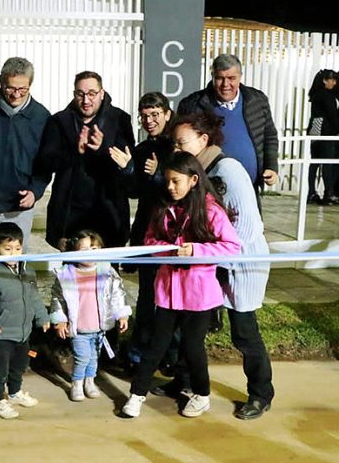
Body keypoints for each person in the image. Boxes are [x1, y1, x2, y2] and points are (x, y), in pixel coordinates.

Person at [169, 112, 275, 420]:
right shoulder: (194, 172)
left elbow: (248, 225)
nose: (177, 148)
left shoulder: (228, 169)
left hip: (242, 263)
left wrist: (216, 255)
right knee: (192, 326)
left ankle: (261, 394)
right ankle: (185, 382)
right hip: (211, 261)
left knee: (244, 332)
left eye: (182, 142)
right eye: (175, 143)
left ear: (203, 140)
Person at [121, 152, 241, 419]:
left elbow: (231, 248)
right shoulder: (163, 207)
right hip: (167, 293)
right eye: (167, 181)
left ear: (194, 180)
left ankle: (202, 394)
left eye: (176, 181)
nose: (170, 187)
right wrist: (171, 251)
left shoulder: (211, 210)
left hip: (199, 295)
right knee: (156, 344)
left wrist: (196, 250)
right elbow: (150, 242)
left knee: (192, 346)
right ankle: (136, 395)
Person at [108, 92, 176, 372]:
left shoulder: (177, 146)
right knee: (147, 298)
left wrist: (160, 174)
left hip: (173, 235)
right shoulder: (142, 148)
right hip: (148, 234)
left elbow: (179, 191)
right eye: (145, 116)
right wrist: (128, 169)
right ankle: (139, 356)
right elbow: (135, 191)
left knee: (171, 300)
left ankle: (171, 356)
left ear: (167, 114)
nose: (149, 121)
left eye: (155, 115)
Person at [35, 70, 135, 250]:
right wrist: (74, 151)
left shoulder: (119, 119)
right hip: (71, 213)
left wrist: (102, 149)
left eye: (91, 94)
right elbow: (45, 163)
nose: (86, 100)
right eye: (80, 94)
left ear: (102, 93)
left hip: (108, 211)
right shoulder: (59, 121)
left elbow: (126, 164)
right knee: (73, 274)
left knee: (108, 275)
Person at [0, 222, 51, 419]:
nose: (13, 253)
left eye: (17, 248)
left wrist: (42, 316)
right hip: (0, 334)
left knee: (19, 367)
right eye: (7, 249)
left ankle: (15, 393)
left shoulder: (27, 271)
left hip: (22, 333)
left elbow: (33, 297)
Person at [177, 53, 279, 202]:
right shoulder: (192, 105)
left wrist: (271, 166)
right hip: (208, 192)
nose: (226, 84)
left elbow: (269, 136)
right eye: (220, 78)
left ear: (240, 77)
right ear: (212, 76)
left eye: (232, 78)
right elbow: (181, 146)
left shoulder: (257, 101)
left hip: (249, 190)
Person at [0, 57, 50, 252]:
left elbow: (46, 164)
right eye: (10, 88)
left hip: (19, 211)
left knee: (15, 269)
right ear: (1, 82)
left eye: (22, 89)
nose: (16, 94)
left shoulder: (42, 118)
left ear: (30, 85)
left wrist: (35, 191)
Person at [50, 229, 131, 402]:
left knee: (94, 357)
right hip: (79, 327)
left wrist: (121, 315)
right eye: (84, 250)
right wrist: (60, 320)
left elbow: (117, 295)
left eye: (94, 249)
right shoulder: (67, 275)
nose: (90, 254)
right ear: (74, 253)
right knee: (82, 357)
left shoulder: (107, 272)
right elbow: (58, 299)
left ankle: (90, 381)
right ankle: (76, 384)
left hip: (99, 326)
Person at [306, 69, 339, 205]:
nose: (334, 82)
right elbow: (332, 115)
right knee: (328, 162)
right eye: (332, 79)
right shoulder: (327, 95)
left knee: (315, 161)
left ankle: (311, 192)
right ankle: (329, 193)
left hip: (315, 129)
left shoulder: (315, 94)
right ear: (325, 80)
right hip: (326, 130)